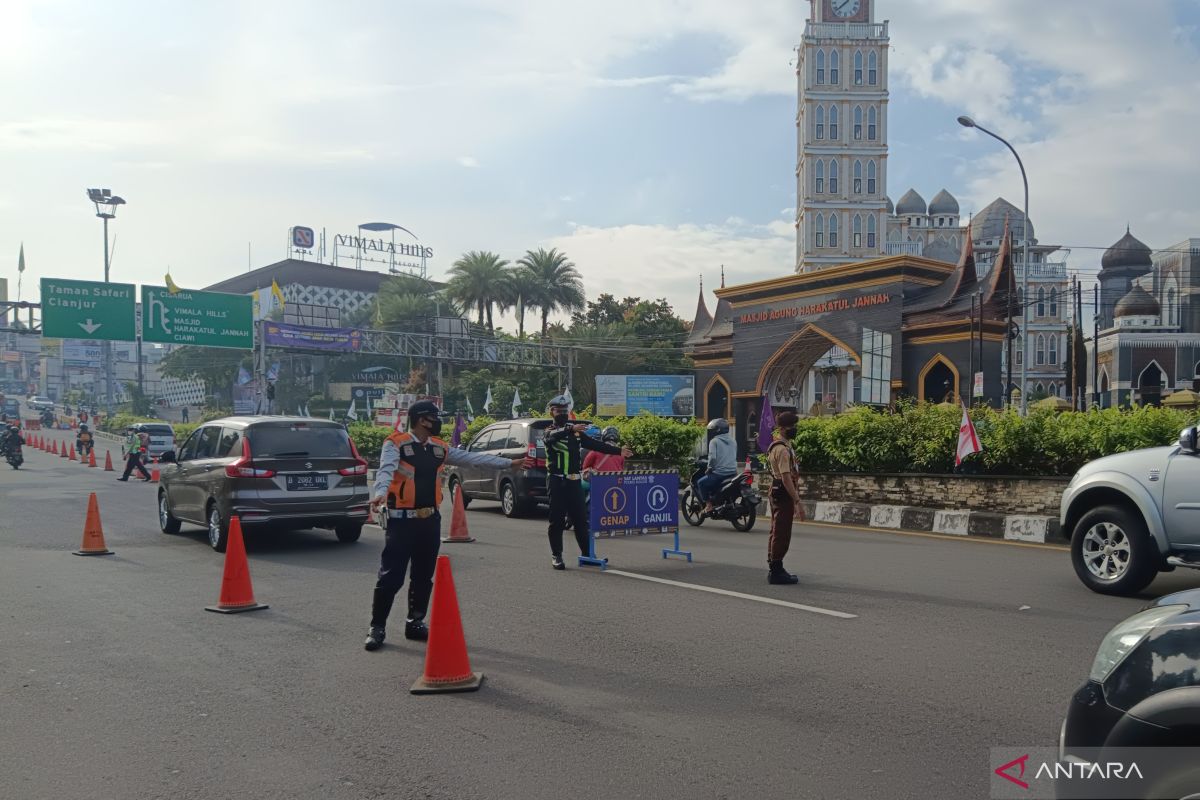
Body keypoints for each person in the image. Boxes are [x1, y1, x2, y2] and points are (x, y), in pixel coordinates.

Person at [364, 400, 529, 652]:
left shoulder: (439, 448)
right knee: (391, 577)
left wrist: (509, 463)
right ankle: (377, 627)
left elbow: (472, 459)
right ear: (421, 420)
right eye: (434, 417)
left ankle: (415, 621)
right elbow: (385, 471)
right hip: (401, 521)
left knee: (423, 576)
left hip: (429, 520)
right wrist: (380, 493)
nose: (438, 421)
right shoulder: (395, 443)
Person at [543, 395, 633, 570]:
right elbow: (550, 437)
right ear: (551, 412)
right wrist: (570, 429)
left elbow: (596, 445)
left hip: (574, 482)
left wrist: (618, 451)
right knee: (557, 520)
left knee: (581, 519)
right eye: (559, 411)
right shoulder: (549, 431)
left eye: (565, 411)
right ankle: (557, 555)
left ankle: (587, 554)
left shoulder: (576, 433)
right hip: (556, 481)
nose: (562, 413)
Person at [765, 410, 802, 585]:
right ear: (782, 428)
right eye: (792, 426)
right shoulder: (782, 450)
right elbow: (787, 477)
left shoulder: (778, 445)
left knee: (776, 529)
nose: (794, 429)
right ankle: (776, 570)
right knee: (782, 531)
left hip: (776, 489)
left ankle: (774, 565)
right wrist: (797, 500)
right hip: (783, 492)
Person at [698, 418, 737, 516]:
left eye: (713, 429)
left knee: (701, 483)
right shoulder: (733, 441)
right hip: (733, 473)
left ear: (718, 430)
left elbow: (712, 458)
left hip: (720, 474)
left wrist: (709, 468)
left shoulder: (714, 441)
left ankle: (708, 505)